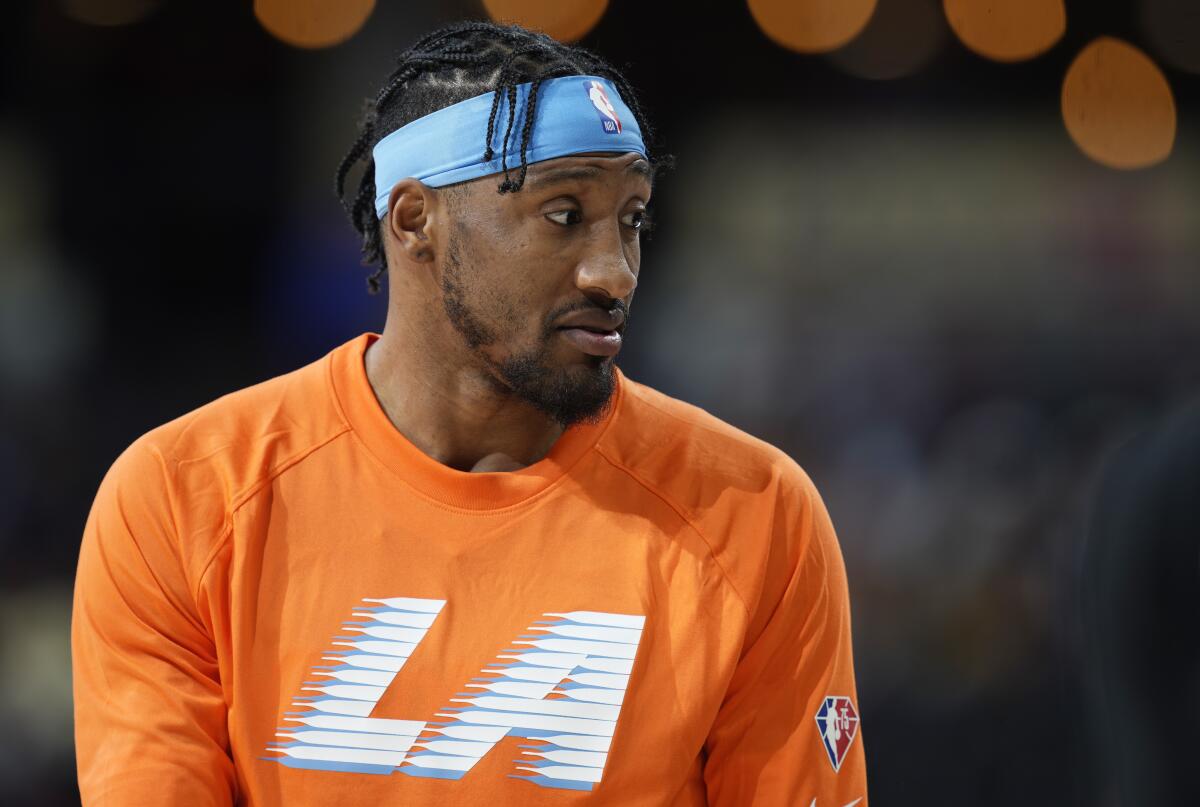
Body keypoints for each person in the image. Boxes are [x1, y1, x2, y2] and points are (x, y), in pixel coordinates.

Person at [71, 20, 868, 806]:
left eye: (632, 220)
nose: (614, 273)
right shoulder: (184, 497)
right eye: (564, 215)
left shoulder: (754, 513)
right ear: (415, 220)